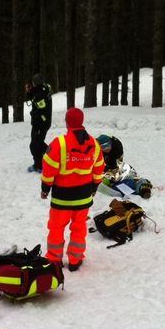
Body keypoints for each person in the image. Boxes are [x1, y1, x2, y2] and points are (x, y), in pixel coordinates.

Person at [40, 107, 105, 272]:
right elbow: (99, 168)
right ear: (81, 121)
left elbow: (48, 169)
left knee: (56, 228)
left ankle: (54, 260)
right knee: (79, 227)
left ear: (67, 122)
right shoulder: (94, 144)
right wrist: (95, 186)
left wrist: (45, 189)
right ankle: (75, 260)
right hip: (83, 197)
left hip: (62, 197)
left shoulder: (59, 144)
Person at [25, 73, 53, 173]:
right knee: (38, 144)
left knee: (35, 145)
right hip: (40, 122)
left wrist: (32, 113)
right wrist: (29, 92)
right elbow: (32, 96)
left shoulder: (40, 94)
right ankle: (53, 155)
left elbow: (41, 110)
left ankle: (40, 165)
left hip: (41, 123)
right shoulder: (42, 89)